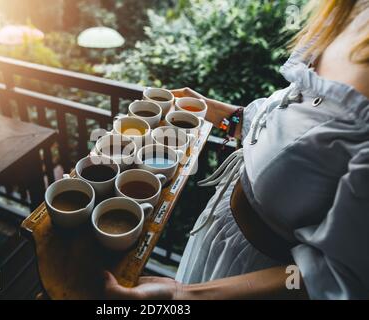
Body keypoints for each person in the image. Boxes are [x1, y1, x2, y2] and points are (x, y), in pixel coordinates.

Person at [104, 0, 369, 299]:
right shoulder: (348, 11)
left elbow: (342, 276)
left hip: (252, 278)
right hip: (220, 238)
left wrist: (186, 295)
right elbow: (283, 128)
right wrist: (217, 113)